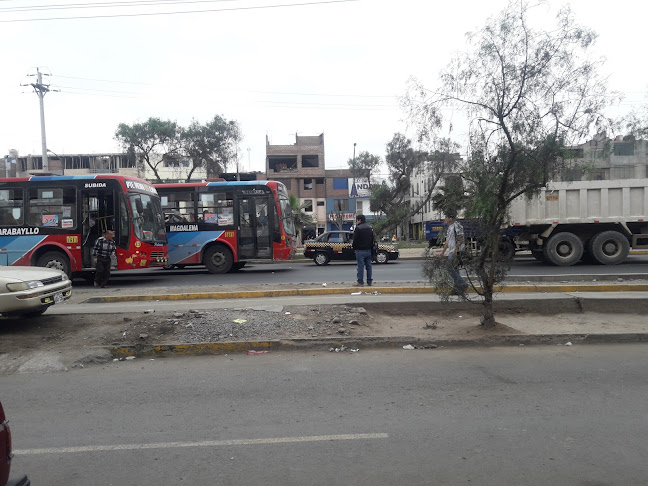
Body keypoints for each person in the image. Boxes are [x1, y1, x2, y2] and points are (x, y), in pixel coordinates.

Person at [442, 213, 468, 295]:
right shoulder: (450, 227)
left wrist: (455, 250)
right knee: (455, 270)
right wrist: (442, 252)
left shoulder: (457, 226)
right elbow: (447, 241)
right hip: (451, 250)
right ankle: (457, 288)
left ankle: (462, 284)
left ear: (450, 218)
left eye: (446, 217)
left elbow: (461, 238)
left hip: (457, 251)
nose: (444, 219)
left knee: (449, 268)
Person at [351, 214, 375, 287]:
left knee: (360, 267)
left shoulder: (358, 228)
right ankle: (369, 281)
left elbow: (355, 240)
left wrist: (354, 248)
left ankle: (360, 282)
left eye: (357, 220)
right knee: (369, 267)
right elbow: (373, 239)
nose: (356, 222)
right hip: (368, 250)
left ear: (359, 220)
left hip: (360, 250)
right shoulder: (370, 228)